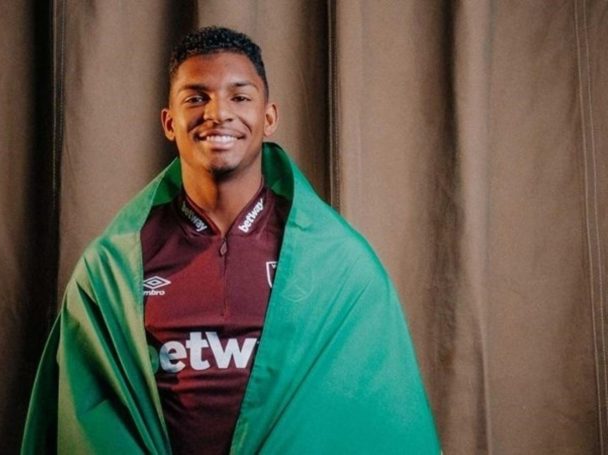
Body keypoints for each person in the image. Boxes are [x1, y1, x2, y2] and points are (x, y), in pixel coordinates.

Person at [22, 26, 440, 454]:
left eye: (240, 97)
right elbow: (85, 415)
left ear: (269, 118)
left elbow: (382, 410)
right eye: (195, 98)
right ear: (169, 122)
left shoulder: (336, 262)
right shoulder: (114, 266)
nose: (218, 112)